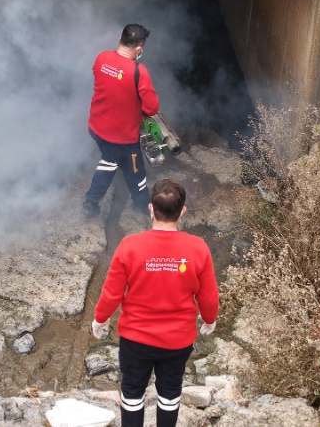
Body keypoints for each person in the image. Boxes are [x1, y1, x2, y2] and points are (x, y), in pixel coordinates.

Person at [90, 179, 219, 427]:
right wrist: (210, 319)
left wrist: (100, 318)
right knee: (170, 392)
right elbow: (209, 295)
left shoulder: (130, 246)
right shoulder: (198, 248)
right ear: (182, 211)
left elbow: (112, 292)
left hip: (136, 338)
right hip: (178, 339)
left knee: (132, 391)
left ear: (151, 209)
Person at [83, 24, 160, 218]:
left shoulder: (102, 57)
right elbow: (152, 108)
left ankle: (137, 203)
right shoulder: (138, 72)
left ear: (120, 38)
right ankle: (92, 203)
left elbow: (104, 81)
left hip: (96, 126)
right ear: (139, 48)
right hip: (120, 136)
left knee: (121, 163)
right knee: (123, 167)